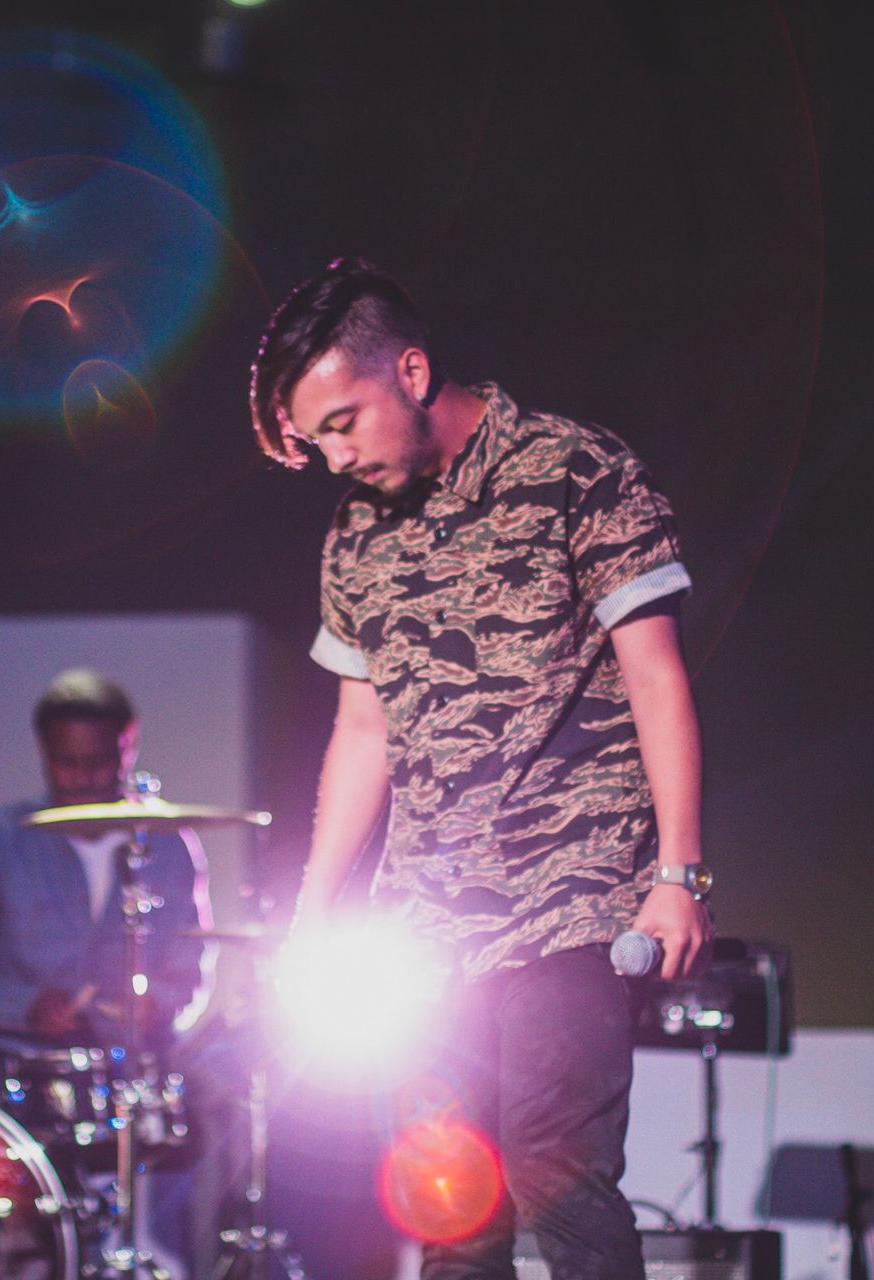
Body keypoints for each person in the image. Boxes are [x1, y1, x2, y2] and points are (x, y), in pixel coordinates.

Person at [248, 258, 713, 1280]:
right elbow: (361, 732)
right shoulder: (354, 535)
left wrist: (678, 873)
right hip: (425, 924)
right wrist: (312, 915)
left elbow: (655, 674)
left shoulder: (574, 468)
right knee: (452, 1204)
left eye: (343, 423)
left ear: (410, 372)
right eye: (317, 439)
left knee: (557, 1175)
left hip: (569, 895)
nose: (336, 457)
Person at [0, 666, 213, 1058]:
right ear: (42, 748)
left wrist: (158, 1004)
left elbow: (191, 968)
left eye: (98, 761)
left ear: (128, 744)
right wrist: (26, 1005)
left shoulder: (168, 845)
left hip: (140, 1064)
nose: (82, 777)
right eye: (66, 762)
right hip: (26, 1061)